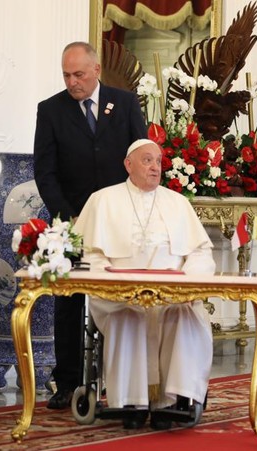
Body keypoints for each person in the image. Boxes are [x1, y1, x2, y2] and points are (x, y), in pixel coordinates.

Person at [34, 41, 147, 409]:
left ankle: (120, 381)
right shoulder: (50, 110)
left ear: (96, 70)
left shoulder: (125, 103)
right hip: (72, 220)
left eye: (79, 74)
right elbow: (45, 172)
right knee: (68, 301)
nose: (72, 82)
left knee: (119, 300)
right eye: (66, 74)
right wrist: (69, 217)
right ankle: (67, 382)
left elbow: (141, 157)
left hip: (120, 221)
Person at [74, 139, 215, 430]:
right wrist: (113, 284)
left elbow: (201, 252)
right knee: (129, 315)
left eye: (158, 162)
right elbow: (90, 254)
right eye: (147, 161)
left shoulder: (177, 202)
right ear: (128, 164)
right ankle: (130, 402)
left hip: (172, 295)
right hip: (120, 294)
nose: (155, 167)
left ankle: (173, 400)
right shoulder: (103, 200)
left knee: (183, 313)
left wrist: (188, 284)